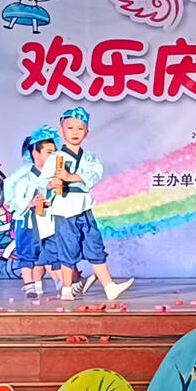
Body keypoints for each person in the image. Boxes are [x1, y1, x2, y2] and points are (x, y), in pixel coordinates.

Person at [47, 105, 133, 301]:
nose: (75, 132)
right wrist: (53, 183)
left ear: (86, 132)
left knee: (95, 245)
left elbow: (94, 175)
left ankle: (109, 287)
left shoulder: (89, 158)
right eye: (70, 128)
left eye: (80, 128)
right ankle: (66, 289)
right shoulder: (55, 158)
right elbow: (44, 183)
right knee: (68, 248)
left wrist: (70, 177)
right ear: (61, 131)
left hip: (84, 207)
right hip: (64, 209)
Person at [4, 128, 59, 299]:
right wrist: (29, 203)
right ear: (35, 153)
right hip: (27, 219)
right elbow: (12, 195)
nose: (53, 156)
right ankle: (29, 285)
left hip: (47, 220)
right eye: (49, 152)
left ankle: (58, 282)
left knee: (50, 251)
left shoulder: (53, 176)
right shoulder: (24, 176)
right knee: (27, 252)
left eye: (54, 152)